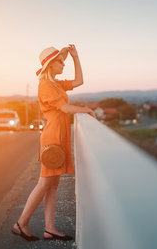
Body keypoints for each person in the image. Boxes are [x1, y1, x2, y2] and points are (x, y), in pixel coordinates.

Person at [12, 44, 96, 241]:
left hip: (59, 135)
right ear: (51, 64)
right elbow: (65, 108)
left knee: (52, 185)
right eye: (61, 61)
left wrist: (76, 57)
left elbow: (79, 81)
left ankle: (50, 228)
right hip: (53, 138)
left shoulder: (56, 84)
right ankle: (21, 223)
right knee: (44, 184)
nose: (63, 64)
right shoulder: (46, 85)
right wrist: (86, 110)